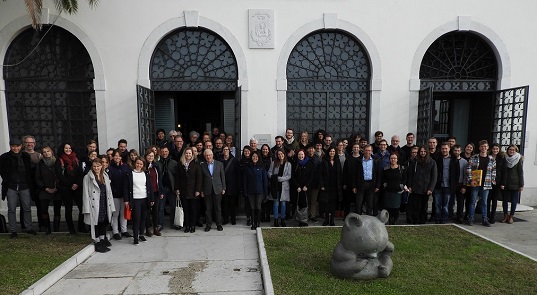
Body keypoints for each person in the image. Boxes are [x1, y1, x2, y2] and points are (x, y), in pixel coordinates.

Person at [0, 138, 37, 238]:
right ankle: (13, 230)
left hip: (24, 185)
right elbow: (2, 171)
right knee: (11, 209)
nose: (15, 148)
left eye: (17, 146)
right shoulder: (4, 157)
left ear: (21, 146)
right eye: (13, 146)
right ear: (10, 146)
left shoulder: (25, 156)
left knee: (27, 208)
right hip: (11, 186)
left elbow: (29, 171)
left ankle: (28, 227)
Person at [82, 158, 115, 252]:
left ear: (101, 166)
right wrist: (86, 208)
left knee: (103, 221)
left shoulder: (105, 176)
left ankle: (102, 239)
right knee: (96, 222)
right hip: (94, 203)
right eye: (94, 166)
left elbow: (109, 192)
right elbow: (85, 193)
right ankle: (97, 242)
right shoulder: (88, 177)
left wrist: (111, 205)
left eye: (98, 166)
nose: (96, 168)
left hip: (104, 201)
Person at [55, 142, 85, 234]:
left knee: (82, 207)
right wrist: (70, 185)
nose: (68, 150)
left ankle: (81, 226)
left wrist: (77, 184)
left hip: (77, 187)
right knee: (69, 209)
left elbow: (81, 173)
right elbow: (60, 175)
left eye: (70, 148)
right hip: (66, 188)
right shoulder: (59, 160)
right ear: (62, 149)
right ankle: (71, 229)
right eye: (66, 148)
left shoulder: (76, 159)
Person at [466, 140, 496, 227]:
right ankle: (471, 218)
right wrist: (470, 180)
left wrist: (492, 180)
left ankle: (484, 219)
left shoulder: (492, 159)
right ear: (479, 148)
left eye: (485, 147)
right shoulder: (474, 157)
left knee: (484, 202)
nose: (483, 148)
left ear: (487, 148)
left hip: (486, 183)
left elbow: (494, 171)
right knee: (472, 201)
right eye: (482, 146)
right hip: (475, 183)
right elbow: (468, 169)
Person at [407, 146, 437, 224]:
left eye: (424, 151)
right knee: (416, 206)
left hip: (426, 188)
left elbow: (434, 177)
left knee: (424, 206)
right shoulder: (415, 162)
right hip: (416, 188)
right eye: (421, 151)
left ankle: (423, 220)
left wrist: (431, 189)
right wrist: (409, 186)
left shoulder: (432, 162)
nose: (423, 153)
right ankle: (416, 220)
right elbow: (410, 175)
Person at [35, 146, 62, 234]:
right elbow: (37, 178)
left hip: (56, 189)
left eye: (48, 151)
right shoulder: (40, 164)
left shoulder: (57, 162)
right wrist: (45, 188)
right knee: (43, 209)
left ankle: (56, 228)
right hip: (45, 190)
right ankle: (47, 228)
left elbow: (61, 175)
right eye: (44, 152)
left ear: (52, 152)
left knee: (57, 210)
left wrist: (56, 187)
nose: (47, 153)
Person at [175, 147, 202, 233]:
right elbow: (177, 178)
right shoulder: (180, 164)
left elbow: (199, 178)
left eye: (190, 153)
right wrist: (177, 189)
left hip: (193, 190)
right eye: (186, 153)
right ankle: (187, 225)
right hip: (183, 190)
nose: (188, 155)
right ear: (184, 154)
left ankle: (193, 225)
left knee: (193, 209)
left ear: (192, 154)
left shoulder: (196, 164)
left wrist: (198, 190)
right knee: (185, 209)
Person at [128, 158, 154, 245]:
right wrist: (127, 200)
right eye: (138, 163)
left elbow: (149, 186)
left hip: (145, 198)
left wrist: (151, 199)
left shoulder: (145, 173)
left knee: (144, 218)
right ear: (135, 164)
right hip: (135, 199)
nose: (139, 165)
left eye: (141, 164)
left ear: (143, 165)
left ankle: (141, 234)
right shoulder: (130, 173)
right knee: (136, 218)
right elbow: (126, 187)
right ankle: (135, 237)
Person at [108, 149, 133, 240]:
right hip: (115, 194)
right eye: (115, 156)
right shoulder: (110, 168)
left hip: (124, 195)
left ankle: (124, 230)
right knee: (115, 214)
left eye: (119, 156)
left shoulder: (125, 167)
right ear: (112, 157)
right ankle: (115, 231)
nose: (117, 157)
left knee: (124, 213)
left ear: (121, 157)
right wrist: (113, 190)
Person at [433, 142, 459, 224]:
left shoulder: (454, 159)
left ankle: (444, 219)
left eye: (446, 148)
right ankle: (437, 219)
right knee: (437, 204)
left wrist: (454, 185)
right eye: (443, 149)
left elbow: (457, 174)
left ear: (449, 149)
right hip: (438, 185)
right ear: (440, 149)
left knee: (445, 205)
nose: (444, 150)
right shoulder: (437, 159)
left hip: (448, 186)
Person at [200, 149, 226, 232]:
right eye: (206, 155)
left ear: (212, 155)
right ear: (205, 156)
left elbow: (222, 177)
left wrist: (224, 188)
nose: (208, 157)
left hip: (217, 189)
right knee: (208, 209)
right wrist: (201, 190)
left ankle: (219, 224)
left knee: (218, 208)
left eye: (210, 155)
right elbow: (201, 179)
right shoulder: (202, 165)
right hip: (207, 189)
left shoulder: (219, 164)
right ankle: (208, 225)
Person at [352, 145, 380, 216]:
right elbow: (353, 174)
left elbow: (378, 174)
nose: (367, 152)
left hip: (371, 184)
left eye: (369, 150)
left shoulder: (375, 161)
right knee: (358, 203)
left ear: (371, 151)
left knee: (370, 203)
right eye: (366, 150)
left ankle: (368, 218)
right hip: (361, 184)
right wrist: (354, 186)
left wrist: (377, 186)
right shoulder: (358, 161)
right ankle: (358, 219)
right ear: (363, 151)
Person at [243, 152, 268, 230]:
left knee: (258, 206)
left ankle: (258, 223)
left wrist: (265, 192)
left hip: (259, 191)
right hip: (250, 191)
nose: (255, 158)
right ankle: (253, 223)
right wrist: (245, 191)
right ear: (251, 157)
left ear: (258, 157)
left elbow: (265, 180)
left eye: (256, 156)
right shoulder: (247, 167)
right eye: (253, 156)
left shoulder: (262, 167)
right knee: (252, 207)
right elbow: (245, 180)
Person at [500, 144, 524, 224]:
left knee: (514, 201)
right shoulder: (504, 159)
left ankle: (511, 216)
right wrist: (502, 183)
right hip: (506, 183)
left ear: (516, 151)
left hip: (515, 183)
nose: (511, 151)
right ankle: (505, 216)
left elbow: (520, 173)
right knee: (505, 200)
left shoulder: (518, 159)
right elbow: (503, 172)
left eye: (513, 150)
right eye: (510, 149)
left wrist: (521, 185)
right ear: (507, 150)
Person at [319, 147, 342, 226]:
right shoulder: (324, 161)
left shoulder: (337, 161)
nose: (332, 152)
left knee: (333, 204)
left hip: (335, 186)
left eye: (333, 151)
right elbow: (320, 174)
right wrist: (321, 185)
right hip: (326, 186)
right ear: (328, 152)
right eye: (331, 151)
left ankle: (332, 220)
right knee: (326, 204)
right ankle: (326, 220)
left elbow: (340, 174)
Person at [268, 148, 292, 227]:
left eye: (281, 154)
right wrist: (274, 178)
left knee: (283, 203)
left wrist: (280, 179)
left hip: (284, 186)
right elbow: (269, 173)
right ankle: (275, 220)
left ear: (284, 154)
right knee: (276, 203)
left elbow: (289, 176)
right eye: (278, 154)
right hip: (276, 186)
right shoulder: (273, 163)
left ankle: (282, 220)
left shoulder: (288, 164)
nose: (280, 155)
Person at [381, 154, 407, 225]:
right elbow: (383, 178)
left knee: (396, 207)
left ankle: (395, 220)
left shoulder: (401, 168)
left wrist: (401, 186)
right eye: (391, 158)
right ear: (389, 159)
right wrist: (385, 185)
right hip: (388, 191)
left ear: (397, 159)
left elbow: (404, 179)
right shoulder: (386, 169)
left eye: (395, 158)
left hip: (397, 192)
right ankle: (389, 220)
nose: (393, 160)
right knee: (388, 207)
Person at [158, 146, 179, 230]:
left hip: (171, 188)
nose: (164, 153)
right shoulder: (157, 163)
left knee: (173, 206)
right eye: (162, 151)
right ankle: (160, 224)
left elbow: (177, 176)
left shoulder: (174, 163)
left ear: (168, 152)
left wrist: (176, 188)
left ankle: (173, 223)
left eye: (166, 151)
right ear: (160, 152)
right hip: (162, 188)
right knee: (161, 207)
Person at [292, 149, 314, 226]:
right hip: (298, 188)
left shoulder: (309, 163)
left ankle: (304, 220)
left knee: (306, 204)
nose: (300, 156)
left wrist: (306, 185)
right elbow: (293, 176)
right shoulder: (295, 163)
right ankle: (299, 220)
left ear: (304, 155)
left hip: (306, 188)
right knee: (298, 204)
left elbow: (311, 176)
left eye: (302, 154)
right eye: (299, 154)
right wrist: (297, 186)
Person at [145, 150, 163, 236]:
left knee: (156, 210)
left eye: (152, 156)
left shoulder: (156, 166)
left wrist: (161, 191)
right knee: (147, 211)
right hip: (147, 192)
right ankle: (148, 228)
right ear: (146, 156)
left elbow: (160, 180)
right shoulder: (144, 166)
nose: (150, 157)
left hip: (156, 191)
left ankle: (156, 227)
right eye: (149, 156)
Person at [221, 146, 240, 225]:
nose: (225, 151)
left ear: (229, 151)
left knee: (232, 204)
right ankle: (225, 219)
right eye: (224, 149)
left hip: (233, 185)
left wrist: (238, 186)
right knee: (224, 203)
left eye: (227, 149)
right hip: (223, 185)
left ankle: (233, 219)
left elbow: (237, 174)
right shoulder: (219, 160)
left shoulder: (234, 160)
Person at [487, 143, 504, 224]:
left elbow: (504, 171)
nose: (495, 150)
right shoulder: (488, 157)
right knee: (487, 199)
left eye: (497, 149)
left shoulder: (502, 158)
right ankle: (487, 215)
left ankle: (492, 216)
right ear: (491, 149)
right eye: (494, 149)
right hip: (488, 181)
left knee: (494, 199)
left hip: (497, 181)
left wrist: (502, 183)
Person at [452, 145, 468, 224]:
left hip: (460, 183)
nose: (456, 152)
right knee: (451, 201)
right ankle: (450, 215)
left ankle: (460, 217)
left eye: (458, 150)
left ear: (461, 151)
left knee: (460, 202)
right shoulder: (450, 160)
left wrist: (464, 186)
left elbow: (466, 175)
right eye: (455, 150)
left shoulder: (464, 162)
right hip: (451, 184)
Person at [306, 144, 321, 221]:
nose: (311, 150)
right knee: (306, 200)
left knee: (313, 200)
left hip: (315, 183)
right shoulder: (305, 158)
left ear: (314, 150)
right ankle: (305, 214)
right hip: (305, 183)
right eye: (310, 149)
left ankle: (312, 215)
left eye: (312, 149)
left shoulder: (318, 159)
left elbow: (320, 172)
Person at [260, 144, 273, 222]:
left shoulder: (271, 158)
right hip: (261, 182)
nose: (265, 151)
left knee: (268, 200)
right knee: (262, 200)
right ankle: (262, 216)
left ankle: (268, 216)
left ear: (268, 150)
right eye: (263, 149)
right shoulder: (259, 158)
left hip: (269, 182)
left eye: (266, 149)